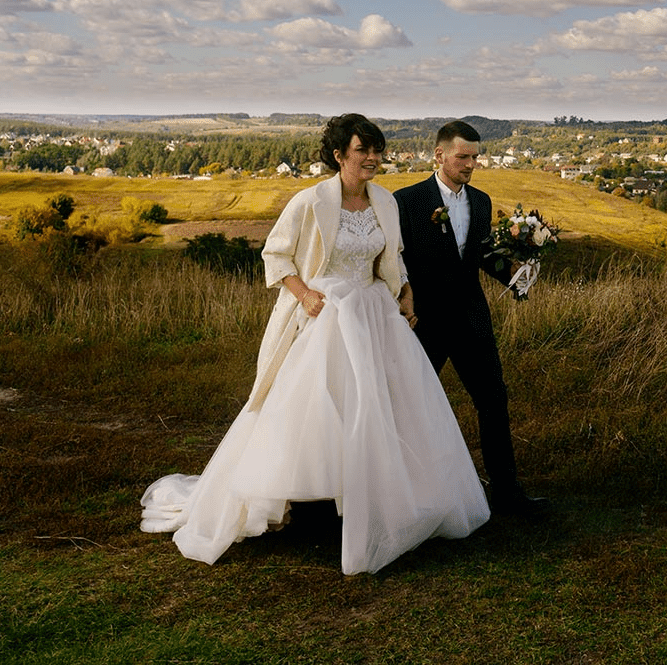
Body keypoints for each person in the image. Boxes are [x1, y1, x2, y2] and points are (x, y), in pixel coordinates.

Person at [140, 114, 489, 574]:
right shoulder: (310, 201)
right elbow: (276, 254)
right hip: (325, 315)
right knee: (314, 409)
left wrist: (404, 291)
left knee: (380, 407)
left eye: (377, 150)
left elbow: (393, 257)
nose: (372, 158)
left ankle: (373, 496)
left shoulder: (385, 201)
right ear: (340, 155)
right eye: (363, 150)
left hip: (375, 315)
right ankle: (305, 498)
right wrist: (304, 294)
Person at [394, 120, 548, 516]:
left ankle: (507, 493)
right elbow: (394, 260)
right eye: (463, 157)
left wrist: (515, 275)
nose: (471, 164)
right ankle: (404, 496)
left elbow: (478, 255)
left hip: (471, 319)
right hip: (423, 324)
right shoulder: (406, 201)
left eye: (475, 157)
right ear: (439, 155)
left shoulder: (481, 201)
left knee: (494, 400)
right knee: (408, 407)